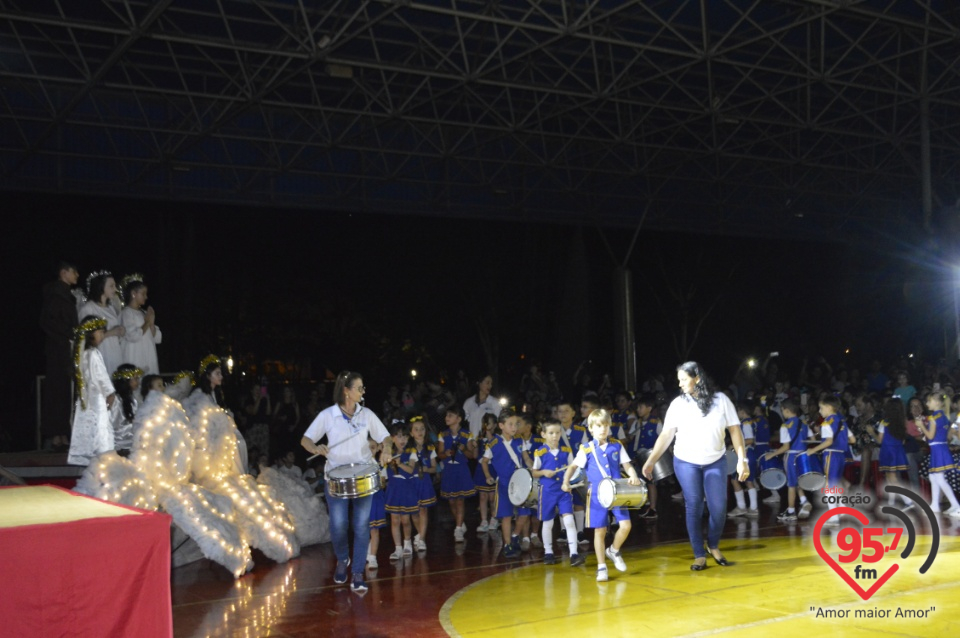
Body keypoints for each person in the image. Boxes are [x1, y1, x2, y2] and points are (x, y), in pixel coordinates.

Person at [641, 361, 749, 571]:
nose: (680, 384)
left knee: (719, 509)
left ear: (697, 379)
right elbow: (666, 434)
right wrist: (651, 460)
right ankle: (699, 554)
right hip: (686, 461)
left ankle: (714, 545)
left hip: (715, 461)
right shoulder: (678, 404)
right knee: (694, 505)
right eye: (679, 380)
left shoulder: (721, 400)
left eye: (684, 379)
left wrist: (742, 460)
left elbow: (735, 431)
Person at [301, 371, 392, 593]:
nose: (363, 391)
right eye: (359, 388)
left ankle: (358, 572)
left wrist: (387, 449)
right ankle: (343, 559)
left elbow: (385, 437)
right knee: (338, 526)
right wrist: (315, 447)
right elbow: (306, 439)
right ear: (346, 390)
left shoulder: (366, 414)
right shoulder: (328, 415)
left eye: (363, 388)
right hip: (335, 477)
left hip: (363, 476)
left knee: (361, 526)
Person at [562, 409, 640, 582]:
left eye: (605, 425)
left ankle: (613, 550)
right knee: (600, 530)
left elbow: (626, 465)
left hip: (617, 492)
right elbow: (573, 467)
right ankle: (601, 567)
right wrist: (566, 481)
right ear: (591, 428)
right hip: (597, 494)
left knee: (626, 526)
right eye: (598, 426)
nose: (603, 429)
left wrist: (633, 475)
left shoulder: (617, 445)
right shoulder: (586, 449)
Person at [67, 316, 117, 466]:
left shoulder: (80, 353)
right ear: (90, 334)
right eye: (100, 332)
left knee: (87, 429)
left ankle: (88, 461)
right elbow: (100, 376)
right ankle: (102, 459)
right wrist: (110, 393)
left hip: (85, 399)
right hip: (97, 399)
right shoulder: (93, 353)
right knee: (100, 431)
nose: (102, 336)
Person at [40, 260, 79, 449]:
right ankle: (55, 435)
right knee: (56, 390)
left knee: (64, 391)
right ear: (64, 273)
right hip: (57, 349)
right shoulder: (55, 295)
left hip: (65, 348)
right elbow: (48, 322)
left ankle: (62, 433)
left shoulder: (66, 296)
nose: (77, 276)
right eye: (74, 272)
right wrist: (69, 333)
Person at [532, 421, 583, 566]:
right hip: (547, 491)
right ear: (543, 435)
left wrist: (569, 483)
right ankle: (548, 552)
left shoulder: (567, 451)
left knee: (568, 521)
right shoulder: (540, 452)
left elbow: (572, 469)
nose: (555, 436)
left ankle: (574, 553)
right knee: (547, 523)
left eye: (557, 433)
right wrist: (543, 472)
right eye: (551, 433)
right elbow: (534, 472)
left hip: (563, 490)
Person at [480, 409, 528, 558]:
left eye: (516, 424)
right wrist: (488, 475)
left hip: (520, 483)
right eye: (510, 424)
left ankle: (515, 535)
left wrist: (532, 466)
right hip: (504, 484)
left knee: (524, 513)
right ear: (501, 425)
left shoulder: (520, 440)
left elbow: (526, 457)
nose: (514, 427)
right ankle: (507, 544)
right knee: (506, 516)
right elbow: (484, 461)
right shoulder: (493, 443)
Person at [806, 394, 856, 526]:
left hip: (831, 455)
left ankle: (833, 517)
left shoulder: (827, 422)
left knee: (829, 485)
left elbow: (828, 442)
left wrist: (813, 449)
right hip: (841, 455)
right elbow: (853, 440)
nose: (819, 411)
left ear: (829, 407)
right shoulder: (842, 421)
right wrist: (841, 442)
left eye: (821, 408)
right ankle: (843, 509)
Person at [765, 399, 813, 522]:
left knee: (791, 485)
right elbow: (812, 439)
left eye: (782, 410)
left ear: (786, 410)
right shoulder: (804, 423)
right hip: (803, 456)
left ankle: (791, 511)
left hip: (791, 457)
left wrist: (772, 455)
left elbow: (786, 447)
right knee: (797, 481)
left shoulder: (785, 426)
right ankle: (804, 501)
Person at [437, 406, 475, 542]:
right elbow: (439, 454)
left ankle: (458, 528)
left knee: (460, 499)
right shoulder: (443, 435)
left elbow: (471, 455)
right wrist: (445, 454)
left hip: (461, 470)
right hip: (449, 470)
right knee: (451, 500)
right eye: (446, 415)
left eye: (450, 415)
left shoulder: (466, 434)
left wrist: (464, 449)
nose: (447, 418)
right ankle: (460, 522)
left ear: (459, 419)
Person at [919, 391, 960, 516]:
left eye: (929, 401)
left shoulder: (934, 417)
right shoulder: (942, 416)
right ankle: (935, 504)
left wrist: (921, 426)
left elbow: (930, 435)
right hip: (939, 448)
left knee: (939, 478)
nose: (927, 403)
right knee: (933, 477)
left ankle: (956, 505)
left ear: (936, 402)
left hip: (938, 449)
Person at [867, 399, 913, 509]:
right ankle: (891, 503)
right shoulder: (902, 422)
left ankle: (909, 501)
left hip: (888, 452)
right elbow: (903, 441)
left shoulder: (885, 422)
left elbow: (879, 440)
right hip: (898, 451)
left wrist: (872, 432)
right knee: (889, 477)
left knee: (892, 478)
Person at [77, 271, 125, 375]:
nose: (115, 289)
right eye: (111, 286)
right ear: (101, 287)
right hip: (100, 354)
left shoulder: (111, 308)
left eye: (115, 286)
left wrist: (120, 331)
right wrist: (111, 332)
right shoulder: (88, 308)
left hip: (115, 354)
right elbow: (86, 337)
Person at [385, 421, 417, 560]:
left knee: (405, 520)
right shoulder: (388, 453)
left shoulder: (411, 452)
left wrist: (400, 464)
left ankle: (407, 543)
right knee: (395, 521)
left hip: (406, 490)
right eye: (399, 436)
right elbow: (384, 472)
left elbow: (411, 470)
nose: (402, 440)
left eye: (405, 436)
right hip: (393, 489)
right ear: (392, 438)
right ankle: (397, 548)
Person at [120, 275, 162, 374]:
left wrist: (151, 322)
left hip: (148, 354)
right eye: (143, 294)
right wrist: (147, 322)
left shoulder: (143, 313)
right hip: (135, 355)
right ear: (133, 294)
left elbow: (157, 339)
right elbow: (133, 336)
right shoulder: (126, 313)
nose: (146, 297)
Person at [409, 416, 437, 552]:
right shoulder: (408, 449)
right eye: (416, 429)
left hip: (424, 481)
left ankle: (422, 539)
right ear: (411, 433)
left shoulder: (430, 447)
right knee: (414, 512)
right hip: (412, 482)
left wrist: (426, 469)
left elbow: (434, 468)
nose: (419, 432)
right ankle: (419, 533)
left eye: (422, 429)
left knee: (423, 510)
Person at [472, 413, 499, 533]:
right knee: (482, 496)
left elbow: (494, 448)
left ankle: (494, 517)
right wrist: (474, 446)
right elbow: (475, 455)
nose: (486, 425)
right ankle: (483, 520)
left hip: (492, 468)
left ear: (495, 425)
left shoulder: (497, 437)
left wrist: (488, 434)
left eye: (489, 423)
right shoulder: (479, 437)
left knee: (492, 497)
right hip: (481, 468)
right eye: (485, 422)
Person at [110, 364, 142, 454]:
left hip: (131, 443)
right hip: (118, 446)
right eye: (135, 379)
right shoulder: (114, 399)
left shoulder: (132, 399)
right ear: (126, 380)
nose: (138, 382)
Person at [463, 374, 501, 438]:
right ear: (479, 383)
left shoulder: (494, 402)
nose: (490, 386)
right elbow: (465, 422)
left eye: (491, 383)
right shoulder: (469, 402)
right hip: (472, 440)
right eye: (487, 383)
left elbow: (496, 423)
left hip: (487, 440)